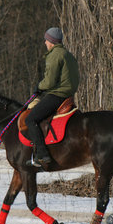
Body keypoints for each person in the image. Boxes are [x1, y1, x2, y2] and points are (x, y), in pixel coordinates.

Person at [25, 27, 79, 167]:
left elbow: (49, 81)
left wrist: (39, 87)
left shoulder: (55, 55)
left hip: (57, 95)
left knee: (30, 119)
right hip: (67, 95)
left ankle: (42, 154)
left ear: (51, 41)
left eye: (46, 40)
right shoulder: (68, 54)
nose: (45, 43)